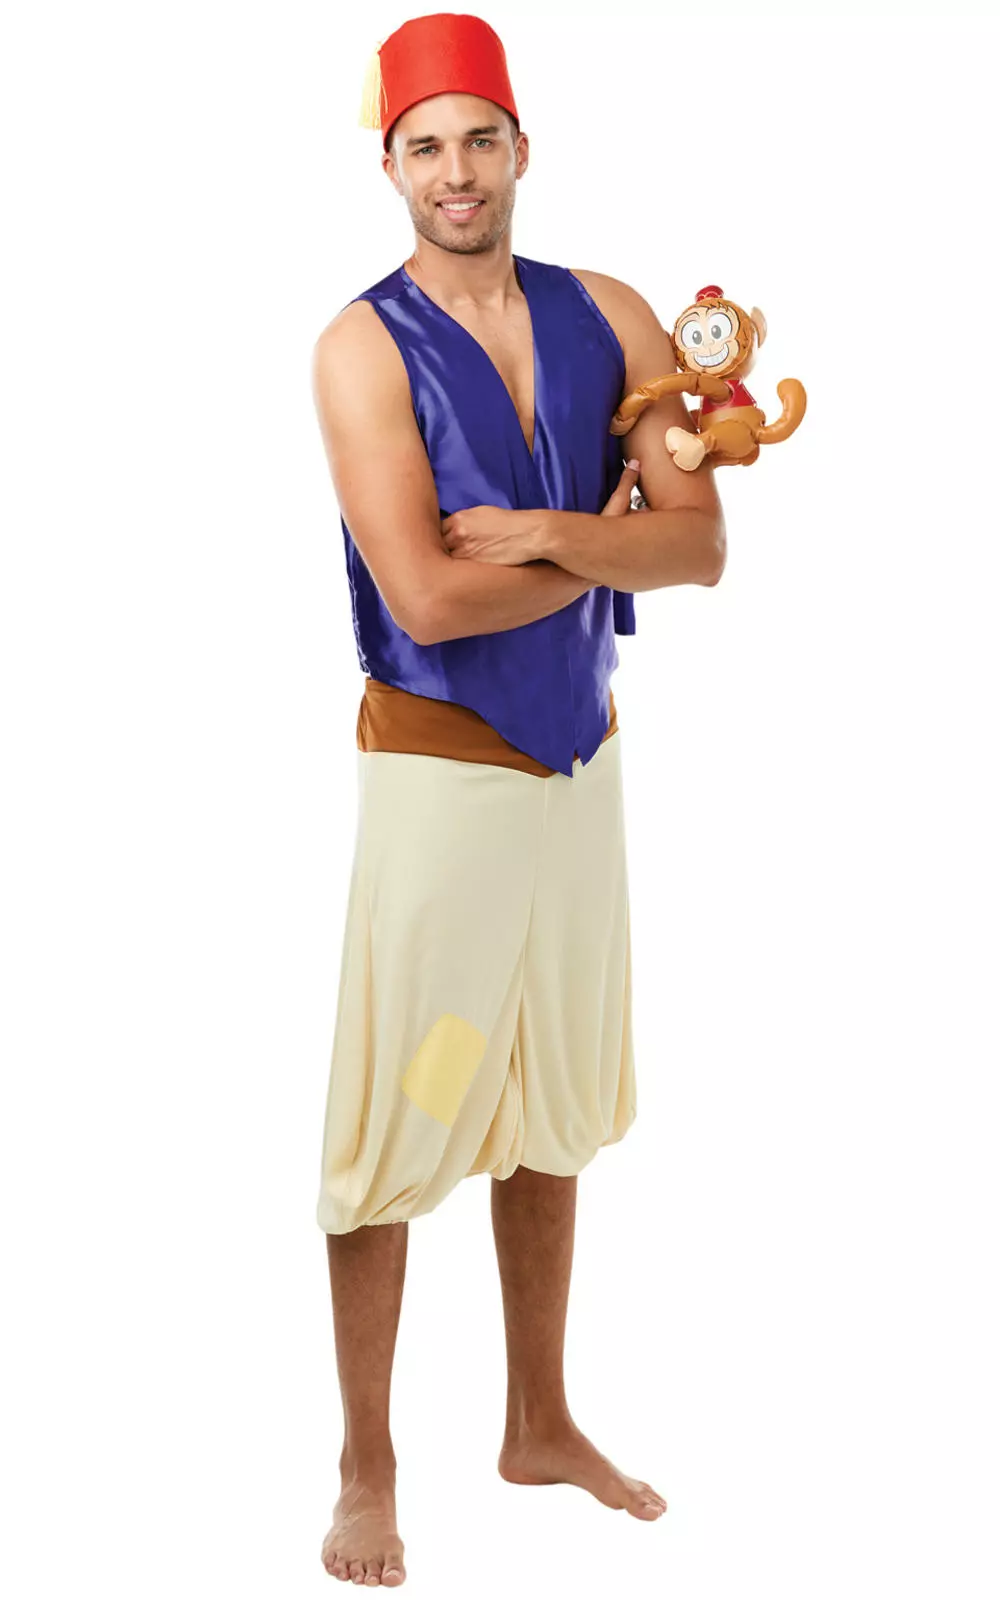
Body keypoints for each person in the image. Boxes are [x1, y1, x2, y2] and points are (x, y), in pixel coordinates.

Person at [310, 12, 726, 1586]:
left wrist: (545, 534)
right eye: (426, 146)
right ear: (391, 166)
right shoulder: (360, 347)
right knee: (402, 1114)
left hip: (580, 765)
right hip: (444, 783)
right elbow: (424, 592)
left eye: (480, 139)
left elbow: (699, 548)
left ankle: (538, 1420)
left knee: (551, 1093)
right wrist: (607, 540)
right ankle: (366, 1463)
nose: (457, 171)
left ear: (521, 149)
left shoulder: (613, 313)